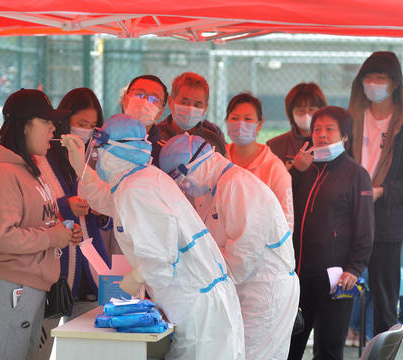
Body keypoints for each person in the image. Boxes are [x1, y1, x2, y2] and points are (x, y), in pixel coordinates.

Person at [61, 114, 245, 360]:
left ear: (115, 150)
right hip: (199, 300)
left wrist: (135, 279)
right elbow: (107, 199)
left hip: (196, 308)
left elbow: (160, 256)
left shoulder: (137, 188)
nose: (97, 155)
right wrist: (80, 168)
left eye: (101, 148)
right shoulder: (140, 179)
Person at [160, 133, 299, 359]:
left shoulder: (239, 186)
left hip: (265, 290)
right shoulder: (210, 189)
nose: (184, 187)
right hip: (242, 289)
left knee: (253, 355)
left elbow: (242, 258)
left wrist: (200, 286)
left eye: (183, 177)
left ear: (200, 162)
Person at [0, 88, 82, 360]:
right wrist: (52, 237)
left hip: (28, 289)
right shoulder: (4, 173)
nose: (53, 128)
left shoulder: (28, 169)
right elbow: (1, 236)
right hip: (10, 289)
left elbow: (35, 220)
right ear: (24, 126)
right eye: (45, 121)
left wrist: (63, 232)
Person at [288, 106, 374, 360]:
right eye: (317, 129)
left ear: (345, 136)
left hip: (336, 280)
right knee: (289, 346)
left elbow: (366, 230)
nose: (322, 134)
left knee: (328, 349)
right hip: (298, 276)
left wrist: (354, 269)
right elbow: (281, 206)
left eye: (329, 129)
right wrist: (295, 171)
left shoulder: (356, 174)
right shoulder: (304, 169)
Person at [34, 88, 110, 359]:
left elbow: (107, 205)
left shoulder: (97, 155)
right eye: (80, 124)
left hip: (91, 270)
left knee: (86, 350)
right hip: (54, 271)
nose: (86, 132)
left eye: (92, 126)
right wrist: (66, 206)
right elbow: (34, 205)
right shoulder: (43, 154)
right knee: (40, 346)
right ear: (65, 121)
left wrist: (99, 208)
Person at [348, 51, 403, 337]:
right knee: (340, 291)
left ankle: (385, 351)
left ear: (394, 83)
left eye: (380, 78)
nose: (373, 84)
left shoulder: (400, 123)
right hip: (349, 218)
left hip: (386, 222)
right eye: (368, 78)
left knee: (385, 301)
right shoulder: (352, 119)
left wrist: (383, 191)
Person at [225, 92, 294, 230]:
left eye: (248, 119)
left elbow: (286, 222)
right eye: (235, 118)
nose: (240, 124)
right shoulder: (218, 160)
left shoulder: (275, 169)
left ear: (260, 124)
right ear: (226, 122)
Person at [157, 72, 226, 153]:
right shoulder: (155, 136)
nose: (190, 109)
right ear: (170, 102)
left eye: (197, 105)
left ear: (205, 109)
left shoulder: (213, 142)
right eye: (184, 103)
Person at [267, 82, 328, 170]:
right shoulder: (275, 146)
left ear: (321, 112)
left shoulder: (330, 144)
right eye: (301, 110)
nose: (306, 115)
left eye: (311, 110)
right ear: (291, 113)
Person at [121, 74, 168, 167]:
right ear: (125, 100)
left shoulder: (164, 154)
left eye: (153, 99)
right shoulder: (104, 138)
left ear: (160, 112)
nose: (145, 102)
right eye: (139, 94)